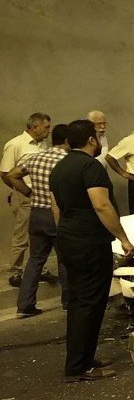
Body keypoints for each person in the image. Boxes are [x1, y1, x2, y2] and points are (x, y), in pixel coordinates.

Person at [50, 119, 134, 382]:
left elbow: (57, 210)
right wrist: (123, 238)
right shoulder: (91, 167)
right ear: (91, 140)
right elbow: (101, 205)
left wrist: (66, 234)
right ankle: (79, 367)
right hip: (89, 243)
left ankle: (83, 357)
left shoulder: (59, 168)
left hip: (69, 239)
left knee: (79, 301)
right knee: (91, 302)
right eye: (97, 137)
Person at [7, 124, 70, 317]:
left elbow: (12, 175)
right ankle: (69, 301)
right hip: (58, 214)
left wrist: (28, 192)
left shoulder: (35, 157)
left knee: (35, 260)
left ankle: (24, 305)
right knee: (65, 258)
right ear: (68, 140)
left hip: (37, 214)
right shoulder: (67, 160)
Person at [1, 112, 51, 285]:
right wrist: (22, 191)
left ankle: (41, 269)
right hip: (25, 195)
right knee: (22, 234)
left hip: (42, 196)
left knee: (41, 235)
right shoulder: (15, 144)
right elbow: (6, 173)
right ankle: (15, 271)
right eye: (46, 127)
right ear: (35, 126)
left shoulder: (43, 145)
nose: (48, 131)